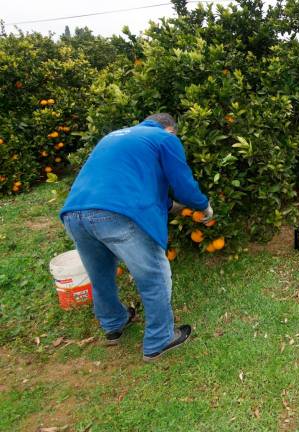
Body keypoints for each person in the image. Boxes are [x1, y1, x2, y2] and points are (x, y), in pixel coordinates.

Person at [59, 113, 212, 362]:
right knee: (154, 275)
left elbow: (129, 185)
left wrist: (176, 207)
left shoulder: (113, 137)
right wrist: (203, 206)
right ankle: (160, 339)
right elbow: (183, 184)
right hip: (118, 215)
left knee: (100, 275)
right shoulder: (165, 138)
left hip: (75, 214)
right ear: (170, 129)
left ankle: (113, 323)